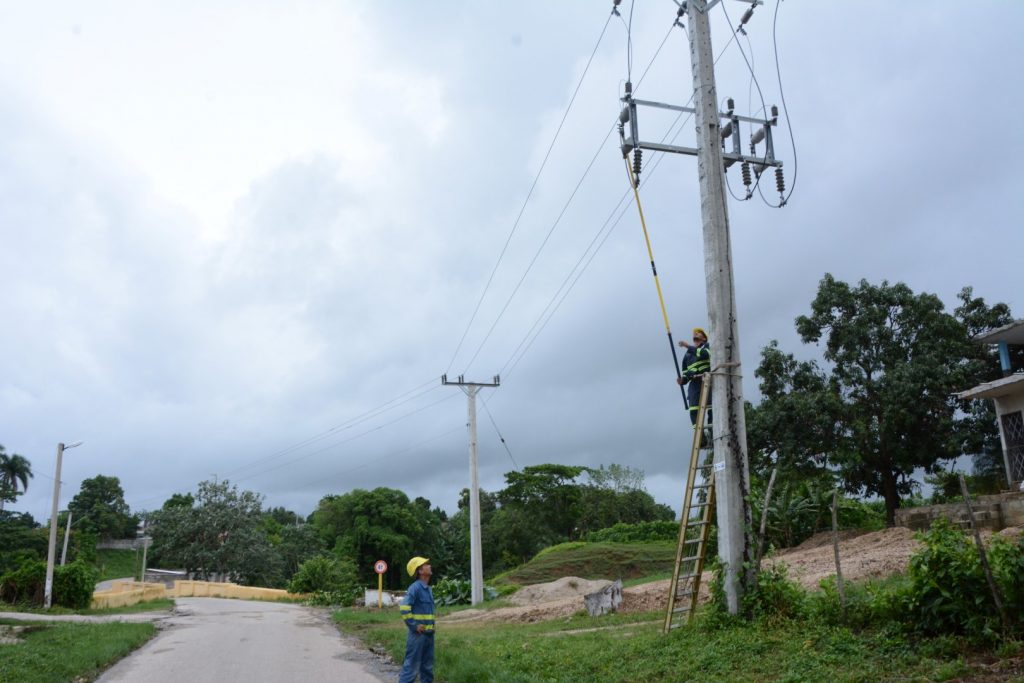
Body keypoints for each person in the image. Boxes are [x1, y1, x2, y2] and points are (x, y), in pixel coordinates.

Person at [399, 556, 435, 683]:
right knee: (411, 669)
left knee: (427, 670)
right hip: (418, 636)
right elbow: (404, 608)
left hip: (429, 635)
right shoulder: (415, 588)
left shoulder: (428, 589)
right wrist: (414, 625)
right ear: (420, 571)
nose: (429, 565)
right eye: (426, 564)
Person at [677, 327, 712, 431]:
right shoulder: (687, 355)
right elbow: (686, 373)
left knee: (712, 408)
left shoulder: (707, 347)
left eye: (698, 333)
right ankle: (701, 440)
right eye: (694, 335)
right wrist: (682, 380)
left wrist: (687, 346)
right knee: (693, 409)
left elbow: (704, 354)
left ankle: (713, 434)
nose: (695, 334)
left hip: (707, 381)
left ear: (704, 338)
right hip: (694, 384)